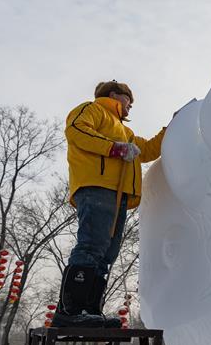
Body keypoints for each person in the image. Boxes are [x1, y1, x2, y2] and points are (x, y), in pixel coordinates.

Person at [53, 80, 166, 327]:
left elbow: (145, 150)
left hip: (118, 194)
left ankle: (89, 310)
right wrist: (114, 149)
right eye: (129, 100)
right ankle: (70, 312)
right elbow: (76, 130)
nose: (130, 106)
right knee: (92, 246)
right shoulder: (91, 110)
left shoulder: (125, 133)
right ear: (114, 95)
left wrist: (171, 128)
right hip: (97, 187)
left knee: (107, 254)